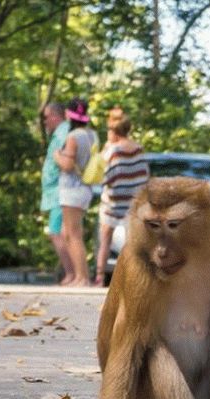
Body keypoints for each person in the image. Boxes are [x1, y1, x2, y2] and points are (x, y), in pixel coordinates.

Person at [93, 107, 149, 286]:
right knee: (132, 242)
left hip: (112, 203)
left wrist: (105, 148)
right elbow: (144, 175)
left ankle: (100, 277)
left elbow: (103, 174)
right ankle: (134, 277)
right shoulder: (138, 149)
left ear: (114, 131)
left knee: (105, 241)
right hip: (133, 202)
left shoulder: (112, 150)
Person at [53, 98, 97, 287]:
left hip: (72, 188)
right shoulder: (92, 134)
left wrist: (57, 156)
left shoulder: (73, 137)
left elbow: (68, 165)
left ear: (68, 115)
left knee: (73, 234)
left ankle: (83, 278)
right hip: (84, 188)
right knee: (66, 232)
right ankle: (79, 276)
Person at [39, 102, 75, 285]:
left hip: (60, 191)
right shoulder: (60, 132)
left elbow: (65, 160)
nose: (45, 121)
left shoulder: (64, 131)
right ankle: (72, 274)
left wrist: (56, 158)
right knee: (61, 232)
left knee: (57, 233)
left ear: (55, 115)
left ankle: (73, 273)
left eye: (46, 117)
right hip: (55, 191)